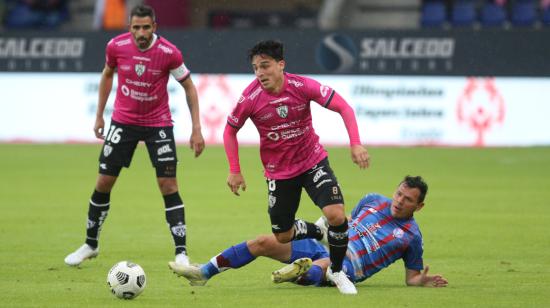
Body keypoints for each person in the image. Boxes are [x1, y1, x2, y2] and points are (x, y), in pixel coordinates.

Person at [215, 39, 370, 294]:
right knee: (283, 235)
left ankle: (338, 271)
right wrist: (234, 169)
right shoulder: (250, 98)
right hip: (279, 172)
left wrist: (356, 144)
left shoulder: (302, 86)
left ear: (281, 64)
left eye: (265, 66)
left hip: (312, 162)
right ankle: (317, 230)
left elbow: (344, 106)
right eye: (255, 68)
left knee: (337, 215)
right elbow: (230, 131)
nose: (260, 73)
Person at [65, 4, 205, 268]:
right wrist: (99, 115)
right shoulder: (116, 46)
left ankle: (181, 253)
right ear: (129, 27)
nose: (141, 32)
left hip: (158, 124)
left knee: (169, 186)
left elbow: (189, 86)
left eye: (146, 27)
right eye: (136, 27)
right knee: (104, 181)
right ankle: (90, 244)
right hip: (123, 122)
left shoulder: (168, 52)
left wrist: (196, 128)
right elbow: (108, 74)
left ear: (155, 27)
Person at [169, 176, 448, 292]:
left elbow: (411, 277)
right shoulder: (373, 199)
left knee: (323, 268)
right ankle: (203, 273)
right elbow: (348, 220)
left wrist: (420, 280)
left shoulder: (411, 237)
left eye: (408, 199)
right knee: (263, 241)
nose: (399, 201)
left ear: (419, 206)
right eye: (399, 193)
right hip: (323, 244)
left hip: (349, 264)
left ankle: (299, 273)